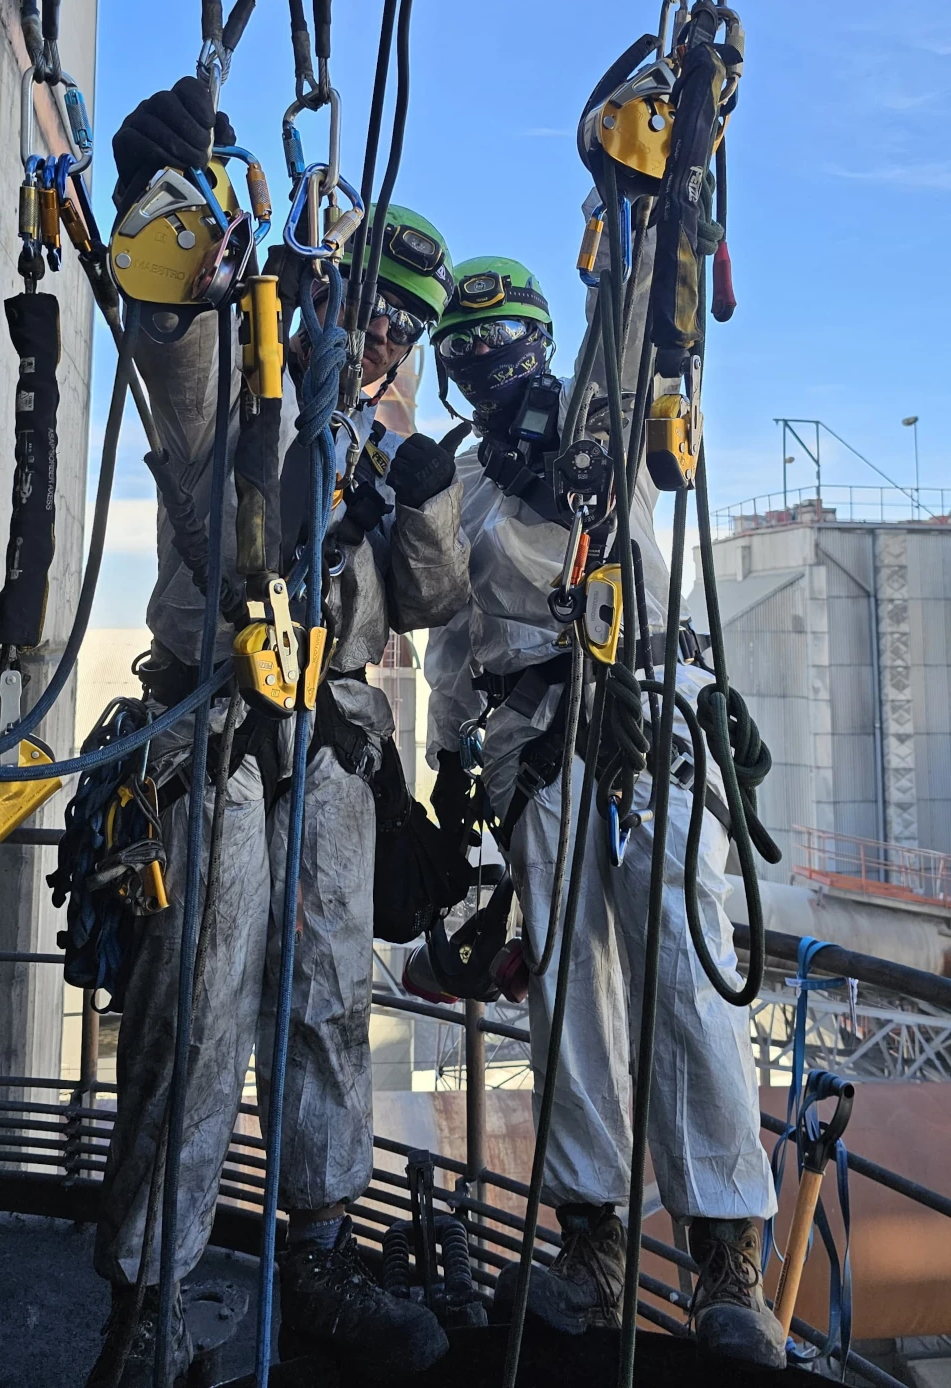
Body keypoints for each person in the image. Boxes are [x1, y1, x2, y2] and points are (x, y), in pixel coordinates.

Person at [85, 77, 471, 1386]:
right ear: (328, 288)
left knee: (326, 1006)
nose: (384, 341)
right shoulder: (249, 376)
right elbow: (172, 350)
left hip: (336, 747)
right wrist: (159, 204)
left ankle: (317, 1256)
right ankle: (149, 1300)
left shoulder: (382, 438)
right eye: (373, 310)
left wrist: (427, 500)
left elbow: (430, 602)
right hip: (219, 734)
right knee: (192, 1016)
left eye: (405, 328)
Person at [423, 228, 787, 1369]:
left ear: (538, 344)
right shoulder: (461, 484)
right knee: (566, 997)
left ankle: (726, 1252)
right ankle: (592, 1246)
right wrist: (449, 774)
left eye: (503, 341)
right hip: (536, 748)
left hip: (644, 718)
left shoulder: (602, 424)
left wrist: (640, 190)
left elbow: (627, 324)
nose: (488, 363)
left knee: (682, 957)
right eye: (467, 349)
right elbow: (451, 643)